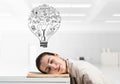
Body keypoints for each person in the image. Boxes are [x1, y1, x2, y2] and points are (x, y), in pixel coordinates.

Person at [36, 52, 111, 84]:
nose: (54, 67)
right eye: (48, 69)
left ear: (57, 55)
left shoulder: (84, 71)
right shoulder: (67, 73)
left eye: (52, 61)